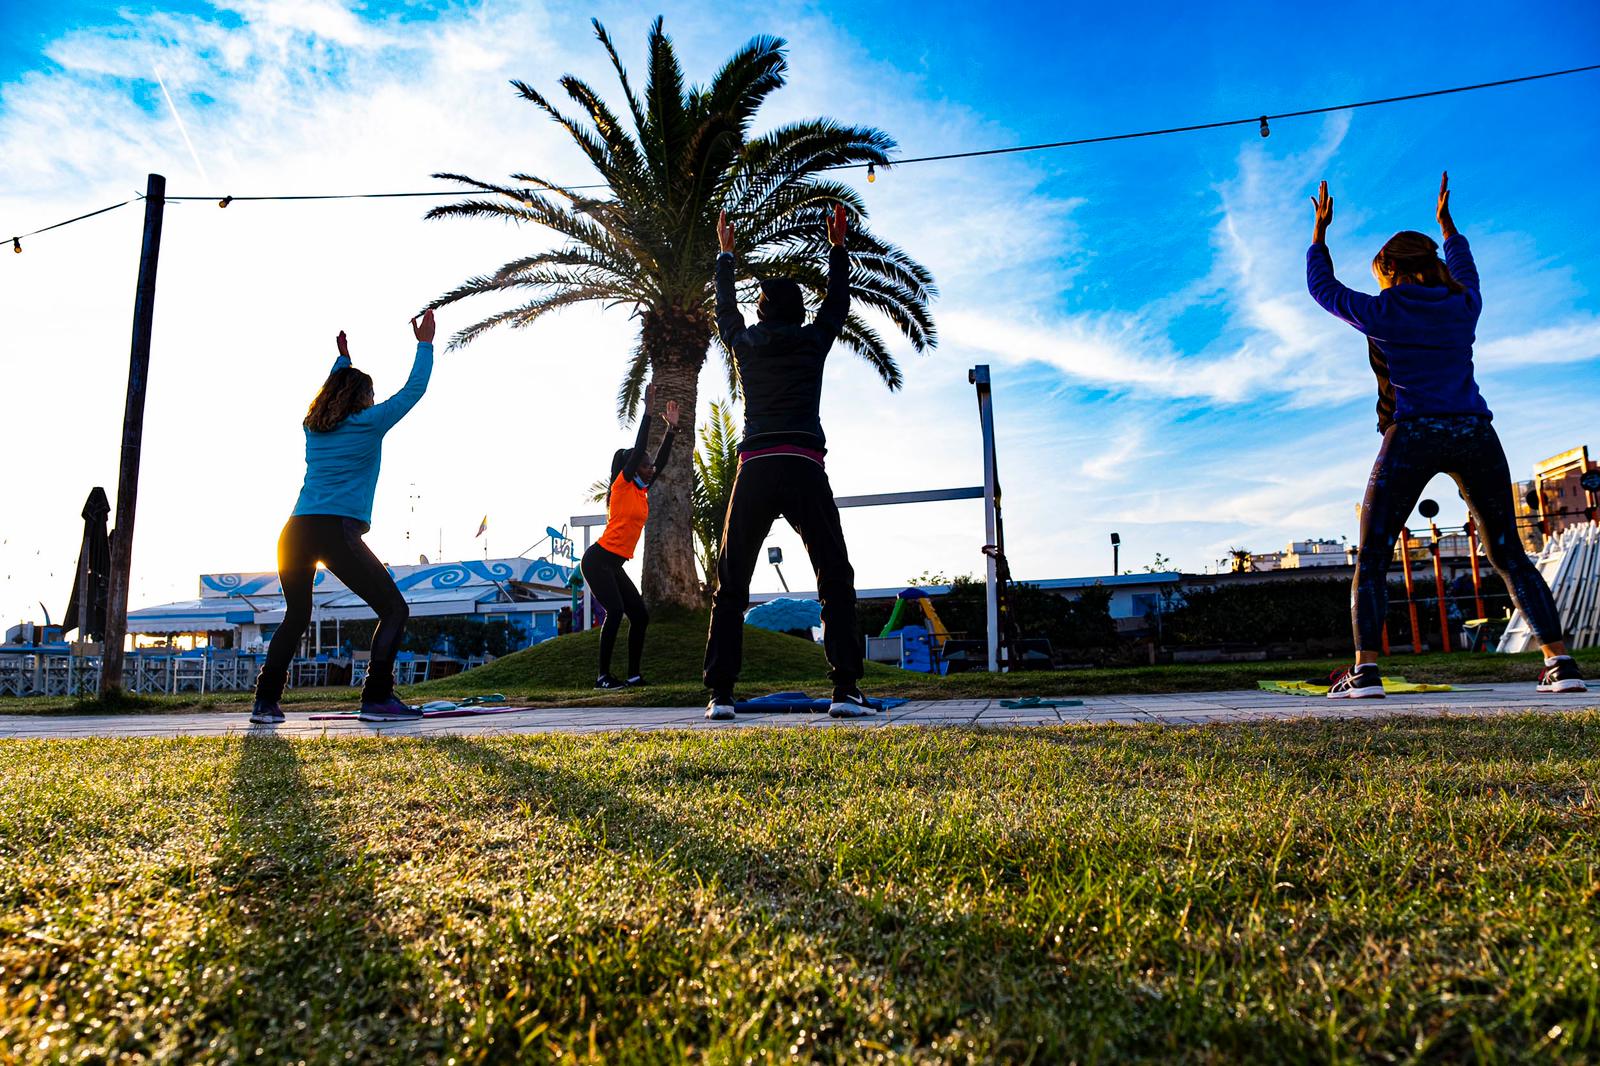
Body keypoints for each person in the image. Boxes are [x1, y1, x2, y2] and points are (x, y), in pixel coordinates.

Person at [1306, 173, 1585, 698]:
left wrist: (1319, 236)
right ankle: (1561, 663)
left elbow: (1324, 290)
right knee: (1509, 552)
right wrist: (1448, 228)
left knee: (1374, 555)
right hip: (1474, 432)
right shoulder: (1463, 305)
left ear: (1391, 271)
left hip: (1412, 433)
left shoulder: (1383, 312)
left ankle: (1365, 672)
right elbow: (1465, 269)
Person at [703, 203, 872, 720]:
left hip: (756, 467)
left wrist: (726, 256)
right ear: (799, 313)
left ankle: (721, 695)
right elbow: (837, 303)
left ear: (761, 313)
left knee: (732, 582)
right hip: (802, 465)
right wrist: (838, 248)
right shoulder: (813, 340)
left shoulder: (745, 344)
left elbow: (724, 310)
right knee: (834, 575)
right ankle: (845, 690)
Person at [249, 312, 437, 724]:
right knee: (394, 610)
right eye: (369, 395)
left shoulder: (312, 428)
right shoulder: (369, 424)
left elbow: (334, 387)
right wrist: (424, 344)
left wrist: (342, 361)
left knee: (295, 616)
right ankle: (377, 698)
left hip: (295, 532)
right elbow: (414, 390)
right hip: (336, 531)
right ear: (361, 399)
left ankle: (265, 703)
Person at [581, 384, 680, 688]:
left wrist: (672, 430)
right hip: (597, 561)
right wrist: (648, 411)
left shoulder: (640, 490)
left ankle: (634, 675)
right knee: (615, 610)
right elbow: (639, 449)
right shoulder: (622, 486)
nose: (651, 469)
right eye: (645, 465)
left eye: (650, 466)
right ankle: (602, 677)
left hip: (613, 565)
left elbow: (661, 462)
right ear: (633, 467)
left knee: (639, 615)